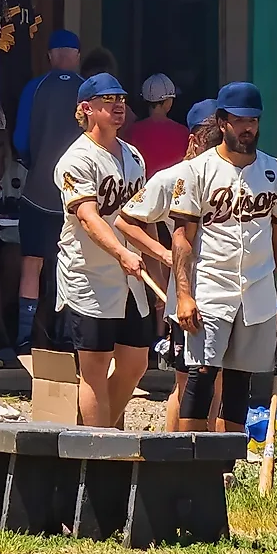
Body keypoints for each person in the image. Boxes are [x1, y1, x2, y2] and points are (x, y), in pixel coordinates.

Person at [169, 82, 277, 435]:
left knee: (241, 381)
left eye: (254, 121)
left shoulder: (275, 171)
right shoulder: (197, 170)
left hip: (257, 290)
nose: (248, 128)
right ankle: (191, 463)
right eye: (240, 120)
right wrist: (183, 294)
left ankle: (226, 467)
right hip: (211, 286)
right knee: (202, 374)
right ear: (223, 121)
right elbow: (182, 238)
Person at [52, 73, 174, 427]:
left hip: (134, 280)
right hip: (89, 277)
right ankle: (98, 447)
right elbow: (88, 216)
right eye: (108, 100)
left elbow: (143, 217)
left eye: (121, 98)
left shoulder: (133, 155)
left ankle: (100, 428)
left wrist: (158, 275)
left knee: (136, 363)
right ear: (86, 109)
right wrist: (120, 254)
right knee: (94, 367)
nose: (118, 105)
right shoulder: (76, 159)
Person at [124, 99, 214, 426]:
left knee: (218, 382)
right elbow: (126, 220)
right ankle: (172, 453)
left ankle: (217, 457)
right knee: (186, 381)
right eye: (211, 137)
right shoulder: (173, 177)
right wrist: (160, 252)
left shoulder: (236, 175)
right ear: (194, 139)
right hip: (187, 293)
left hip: (227, 292)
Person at [10, 29, 86, 354]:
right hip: (77, 197)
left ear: (51, 56)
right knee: (73, 265)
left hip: (38, 192)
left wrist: (34, 162)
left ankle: (25, 338)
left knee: (32, 264)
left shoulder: (35, 87)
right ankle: (68, 335)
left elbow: (20, 141)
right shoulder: (89, 90)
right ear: (77, 56)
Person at [123, 72, 189, 173]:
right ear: (168, 102)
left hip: (144, 187)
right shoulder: (183, 132)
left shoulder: (131, 132)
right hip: (175, 187)